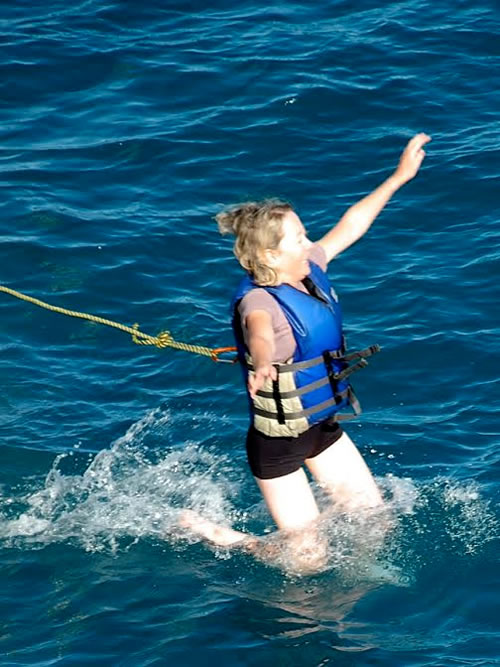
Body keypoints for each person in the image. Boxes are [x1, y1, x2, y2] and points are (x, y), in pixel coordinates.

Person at [181, 133, 431, 569]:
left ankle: (309, 523)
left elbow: (351, 225)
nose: (308, 242)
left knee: (377, 522)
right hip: (278, 443)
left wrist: (399, 177)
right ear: (271, 255)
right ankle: (222, 536)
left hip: (322, 425)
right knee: (307, 563)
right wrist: (261, 364)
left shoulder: (307, 271)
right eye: (299, 237)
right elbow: (259, 334)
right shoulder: (260, 301)